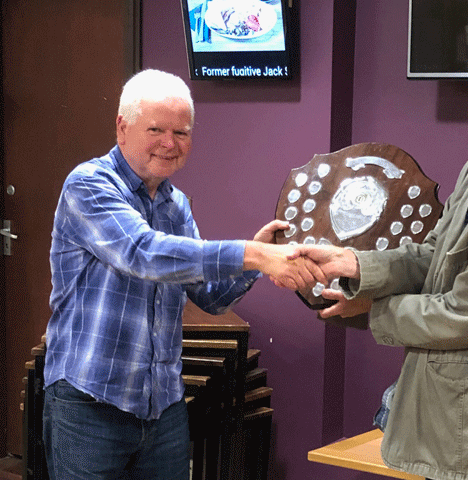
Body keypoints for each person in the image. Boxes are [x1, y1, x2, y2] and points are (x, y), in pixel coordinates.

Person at [292, 37, 468, 480]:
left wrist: (372, 310)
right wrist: (353, 264)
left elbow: (464, 314)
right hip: (448, 428)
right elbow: (433, 256)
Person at [42, 69, 325, 480]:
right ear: (123, 128)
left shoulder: (175, 204)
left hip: (163, 409)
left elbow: (209, 296)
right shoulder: (88, 185)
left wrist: (258, 261)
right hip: (90, 402)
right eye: (156, 129)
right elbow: (142, 253)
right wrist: (253, 255)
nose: (170, 143)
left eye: (182, 132)